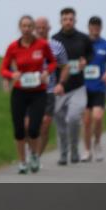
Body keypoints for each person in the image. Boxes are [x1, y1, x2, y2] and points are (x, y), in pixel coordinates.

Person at [0, 15, 57, 173]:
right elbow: (3, 68)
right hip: (19, 92)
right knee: (19, 130)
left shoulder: (42, 44)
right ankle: (22, 162)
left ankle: (34, 156)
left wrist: (46, 73)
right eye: (23, 26)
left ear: (33, 28)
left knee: (33, 129)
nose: (26, 29)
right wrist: (12, 75)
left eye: (29, 26)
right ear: (19, 27)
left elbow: (53, 62)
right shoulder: (13, 47)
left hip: (38, 92)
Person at [52, 7, 94, 165]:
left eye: (71, 19)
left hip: (78, 86)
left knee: (74, 118)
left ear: (75, 20)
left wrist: (86, 62)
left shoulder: (83, 38)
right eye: (65, 19)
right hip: (60, 88)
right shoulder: (54, 39)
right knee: (61, 123)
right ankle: (63, 154)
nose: (68, 21)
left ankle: (75, 149)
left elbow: (91, 54)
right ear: (60, 21)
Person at [34, 16, 69, 156]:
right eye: (38, 28)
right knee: (29, 126)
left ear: (49, 28)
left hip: (48, 91)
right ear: (34, 29)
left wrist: (61, 83)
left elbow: (65, 66)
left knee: (45, 124)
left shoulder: (57, 46)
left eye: (44, 27)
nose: (41, 30)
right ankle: (30, 150)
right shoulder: (28, 45)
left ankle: (37, 156)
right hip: (30, 90)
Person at [81, 16, 106, 162]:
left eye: (97, 26)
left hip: (99, 86)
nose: (95, 29)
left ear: (101, 28)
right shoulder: (82, 43)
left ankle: (97, 143)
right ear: (88, 28)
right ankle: (87, 150)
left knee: (98, 117)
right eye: (92, 26)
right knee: (87, 121)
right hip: (83, 87)